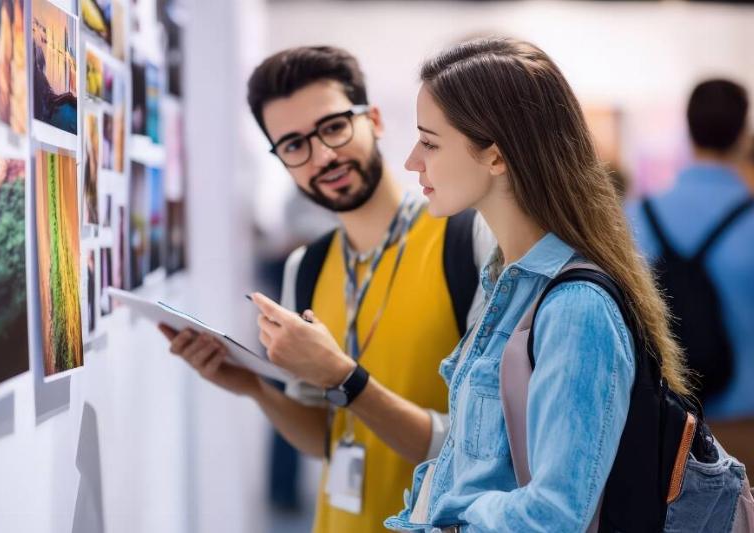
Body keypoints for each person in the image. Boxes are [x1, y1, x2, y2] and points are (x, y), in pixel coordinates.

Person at [245, 38, 754, 531]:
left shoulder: (573, 305)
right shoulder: (505, 286)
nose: (412, 160)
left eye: (430, 142)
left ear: (495, 156)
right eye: (293, 145)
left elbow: (553, 516)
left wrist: (448, 520)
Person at [160, 46, 493, 533]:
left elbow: (477, 449)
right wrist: (254, 386)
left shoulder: (467, 241)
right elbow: (323, 436)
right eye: (294, 145)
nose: (322, 156)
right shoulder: (308, 268)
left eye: (334, 127)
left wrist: (344, 378)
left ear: (373, 120)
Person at [627, 79, 754, 471]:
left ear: (688, 128)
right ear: (743, 134)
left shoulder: (636, 217)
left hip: (667, 430)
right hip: (744, 423)